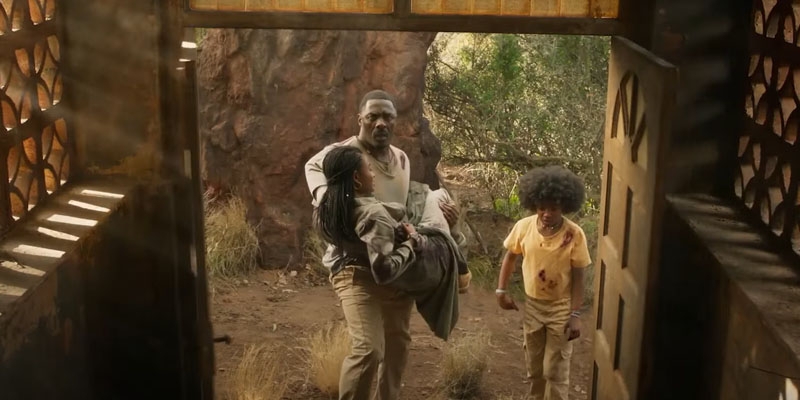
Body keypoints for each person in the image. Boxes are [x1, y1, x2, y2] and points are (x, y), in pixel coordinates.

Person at [304, 89, 463, 400]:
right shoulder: (345, 153)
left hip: (396, 267)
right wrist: (326, 199)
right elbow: (312, 166)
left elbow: (402, 208)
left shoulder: (401, 158)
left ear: (395, 121)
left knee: (397, 345)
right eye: (373, 116)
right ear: (360, 119)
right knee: (368, 350)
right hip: (355, 266)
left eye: (387, 117)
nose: (380, 123)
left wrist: (443, 223)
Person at [495, 165, 592, 400]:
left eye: (553, 208)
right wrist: (501, 291)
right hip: (533, 306)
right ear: (534, 204)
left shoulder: (574, 234)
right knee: (535, 368)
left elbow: (579, 277)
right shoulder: (524, 227)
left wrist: (575, 314)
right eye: (541, 208)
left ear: (564, 206)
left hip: (561, 308)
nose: (546, 213)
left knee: (555, 370)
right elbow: (510, 257)